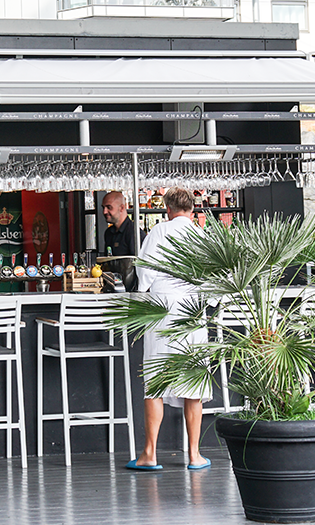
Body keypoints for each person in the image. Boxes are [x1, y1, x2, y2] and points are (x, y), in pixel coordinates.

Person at [126, 187, 211, 472]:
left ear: (168, 209)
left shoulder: (159, 231)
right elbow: (213, 282)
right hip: (193, 311)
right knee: (193, 382)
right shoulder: (202, 236)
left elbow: (144, 275)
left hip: (162, 310)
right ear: (192, 210)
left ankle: (150, 454)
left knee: (156, 383)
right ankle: (194, 455)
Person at [102, 190, 141, 256]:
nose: (104, 212)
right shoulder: (109, 233)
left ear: (121, 208)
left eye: (109, 207)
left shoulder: (134, 233)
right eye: (103, 207)